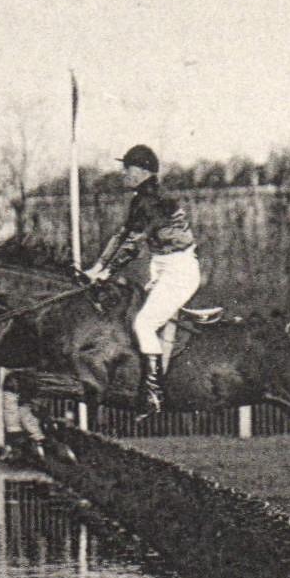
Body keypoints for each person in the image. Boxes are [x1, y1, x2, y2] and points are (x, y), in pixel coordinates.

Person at [82, 143, 200, 413]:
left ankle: (154, 393)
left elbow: (132, 245)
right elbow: (120, 237)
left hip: (178, 271)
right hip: (163, 267)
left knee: (144, 324)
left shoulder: (151, 201)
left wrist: (105, 272)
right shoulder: (141, 199)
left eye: (128, 168)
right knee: (133, 318)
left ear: (143, 171)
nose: (124, 173)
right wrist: (98, 267)